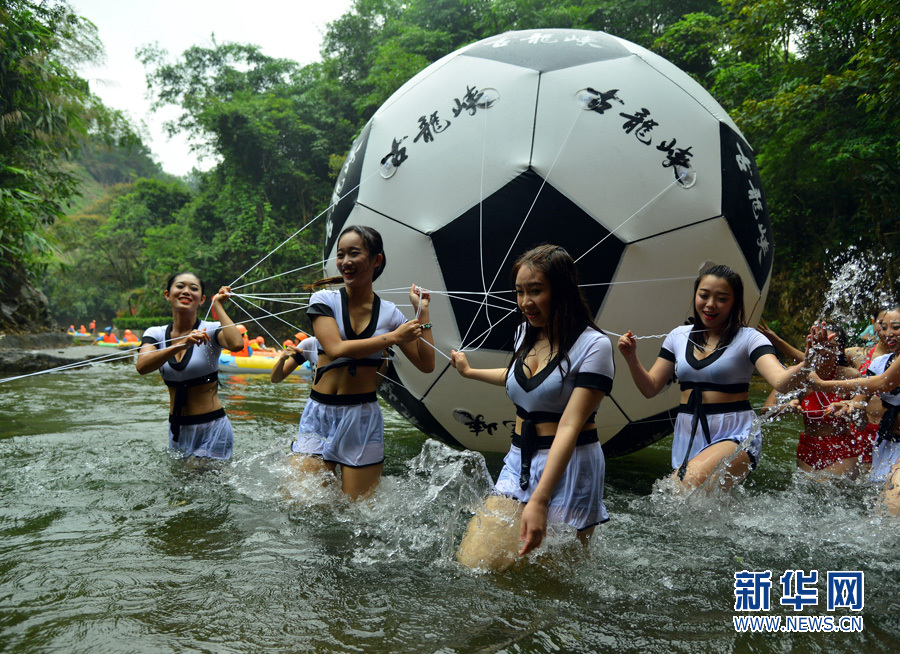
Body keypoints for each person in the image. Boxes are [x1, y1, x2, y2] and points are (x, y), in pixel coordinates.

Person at [450, 245, 614, 571]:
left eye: (535, 291)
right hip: (518, 461)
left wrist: (539, 499)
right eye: (520, 292)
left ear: (562, 290)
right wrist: (469, 372)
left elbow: (570, 424)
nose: (525, 302)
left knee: (546, 583)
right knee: (475, 563)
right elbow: (526, 382)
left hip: (571, 469)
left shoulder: (595, 346)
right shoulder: (526, 331)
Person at [617, 264, 808, 491]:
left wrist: (810, 361)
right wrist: (631, 357)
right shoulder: (677, 336)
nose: (710, 304)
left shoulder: (750, 339)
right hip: (688, 433)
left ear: (734, 303)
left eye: (721, 298)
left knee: (680, 488)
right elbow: (650, 388)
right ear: (695, 295)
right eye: (704, 295)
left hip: (736, 433)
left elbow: (780, 381)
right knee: (701, 509)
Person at [288, 225, 434, 499]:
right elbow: (335, 348)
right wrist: (391, 338)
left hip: (362, 419)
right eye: (341, 255)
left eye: (354, 254)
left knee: (357, 514)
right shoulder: (323, 300)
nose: (345, 262)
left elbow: (426, 363)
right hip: (320, 414)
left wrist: (422, 313)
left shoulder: (390, 313)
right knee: (305, 508)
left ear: (376, 260)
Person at [136, 272, 243, 460]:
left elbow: (237, 344)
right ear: (167, 294)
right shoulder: (156, 333)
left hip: (212, 427)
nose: (186, 291)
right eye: (180, 286)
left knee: (195, 474)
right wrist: (182, 343)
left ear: (202, 299)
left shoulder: (210, 330)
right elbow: (142, 366)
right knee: (181, 485)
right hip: (177, 429)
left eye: (193, 288)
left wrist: (217, 305)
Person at [810, 305, 900, 512]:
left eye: (896, 327)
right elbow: (861, 403)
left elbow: (882, 384)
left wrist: (823, 385)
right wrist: (850, 406)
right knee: (881, 509)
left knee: (893, 504)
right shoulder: (880, 362)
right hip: (888, 442)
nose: (888, 333)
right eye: (884, 327)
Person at [761, 324, 864, 476]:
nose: (824, 350)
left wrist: (849, 408)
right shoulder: (797, 374)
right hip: (808, 448)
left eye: (831, 346)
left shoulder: (851, 376)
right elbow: (765, 411)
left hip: (842, 447)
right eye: (820, 345)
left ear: (841, 350)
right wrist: (787, 408)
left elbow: (861, 424)